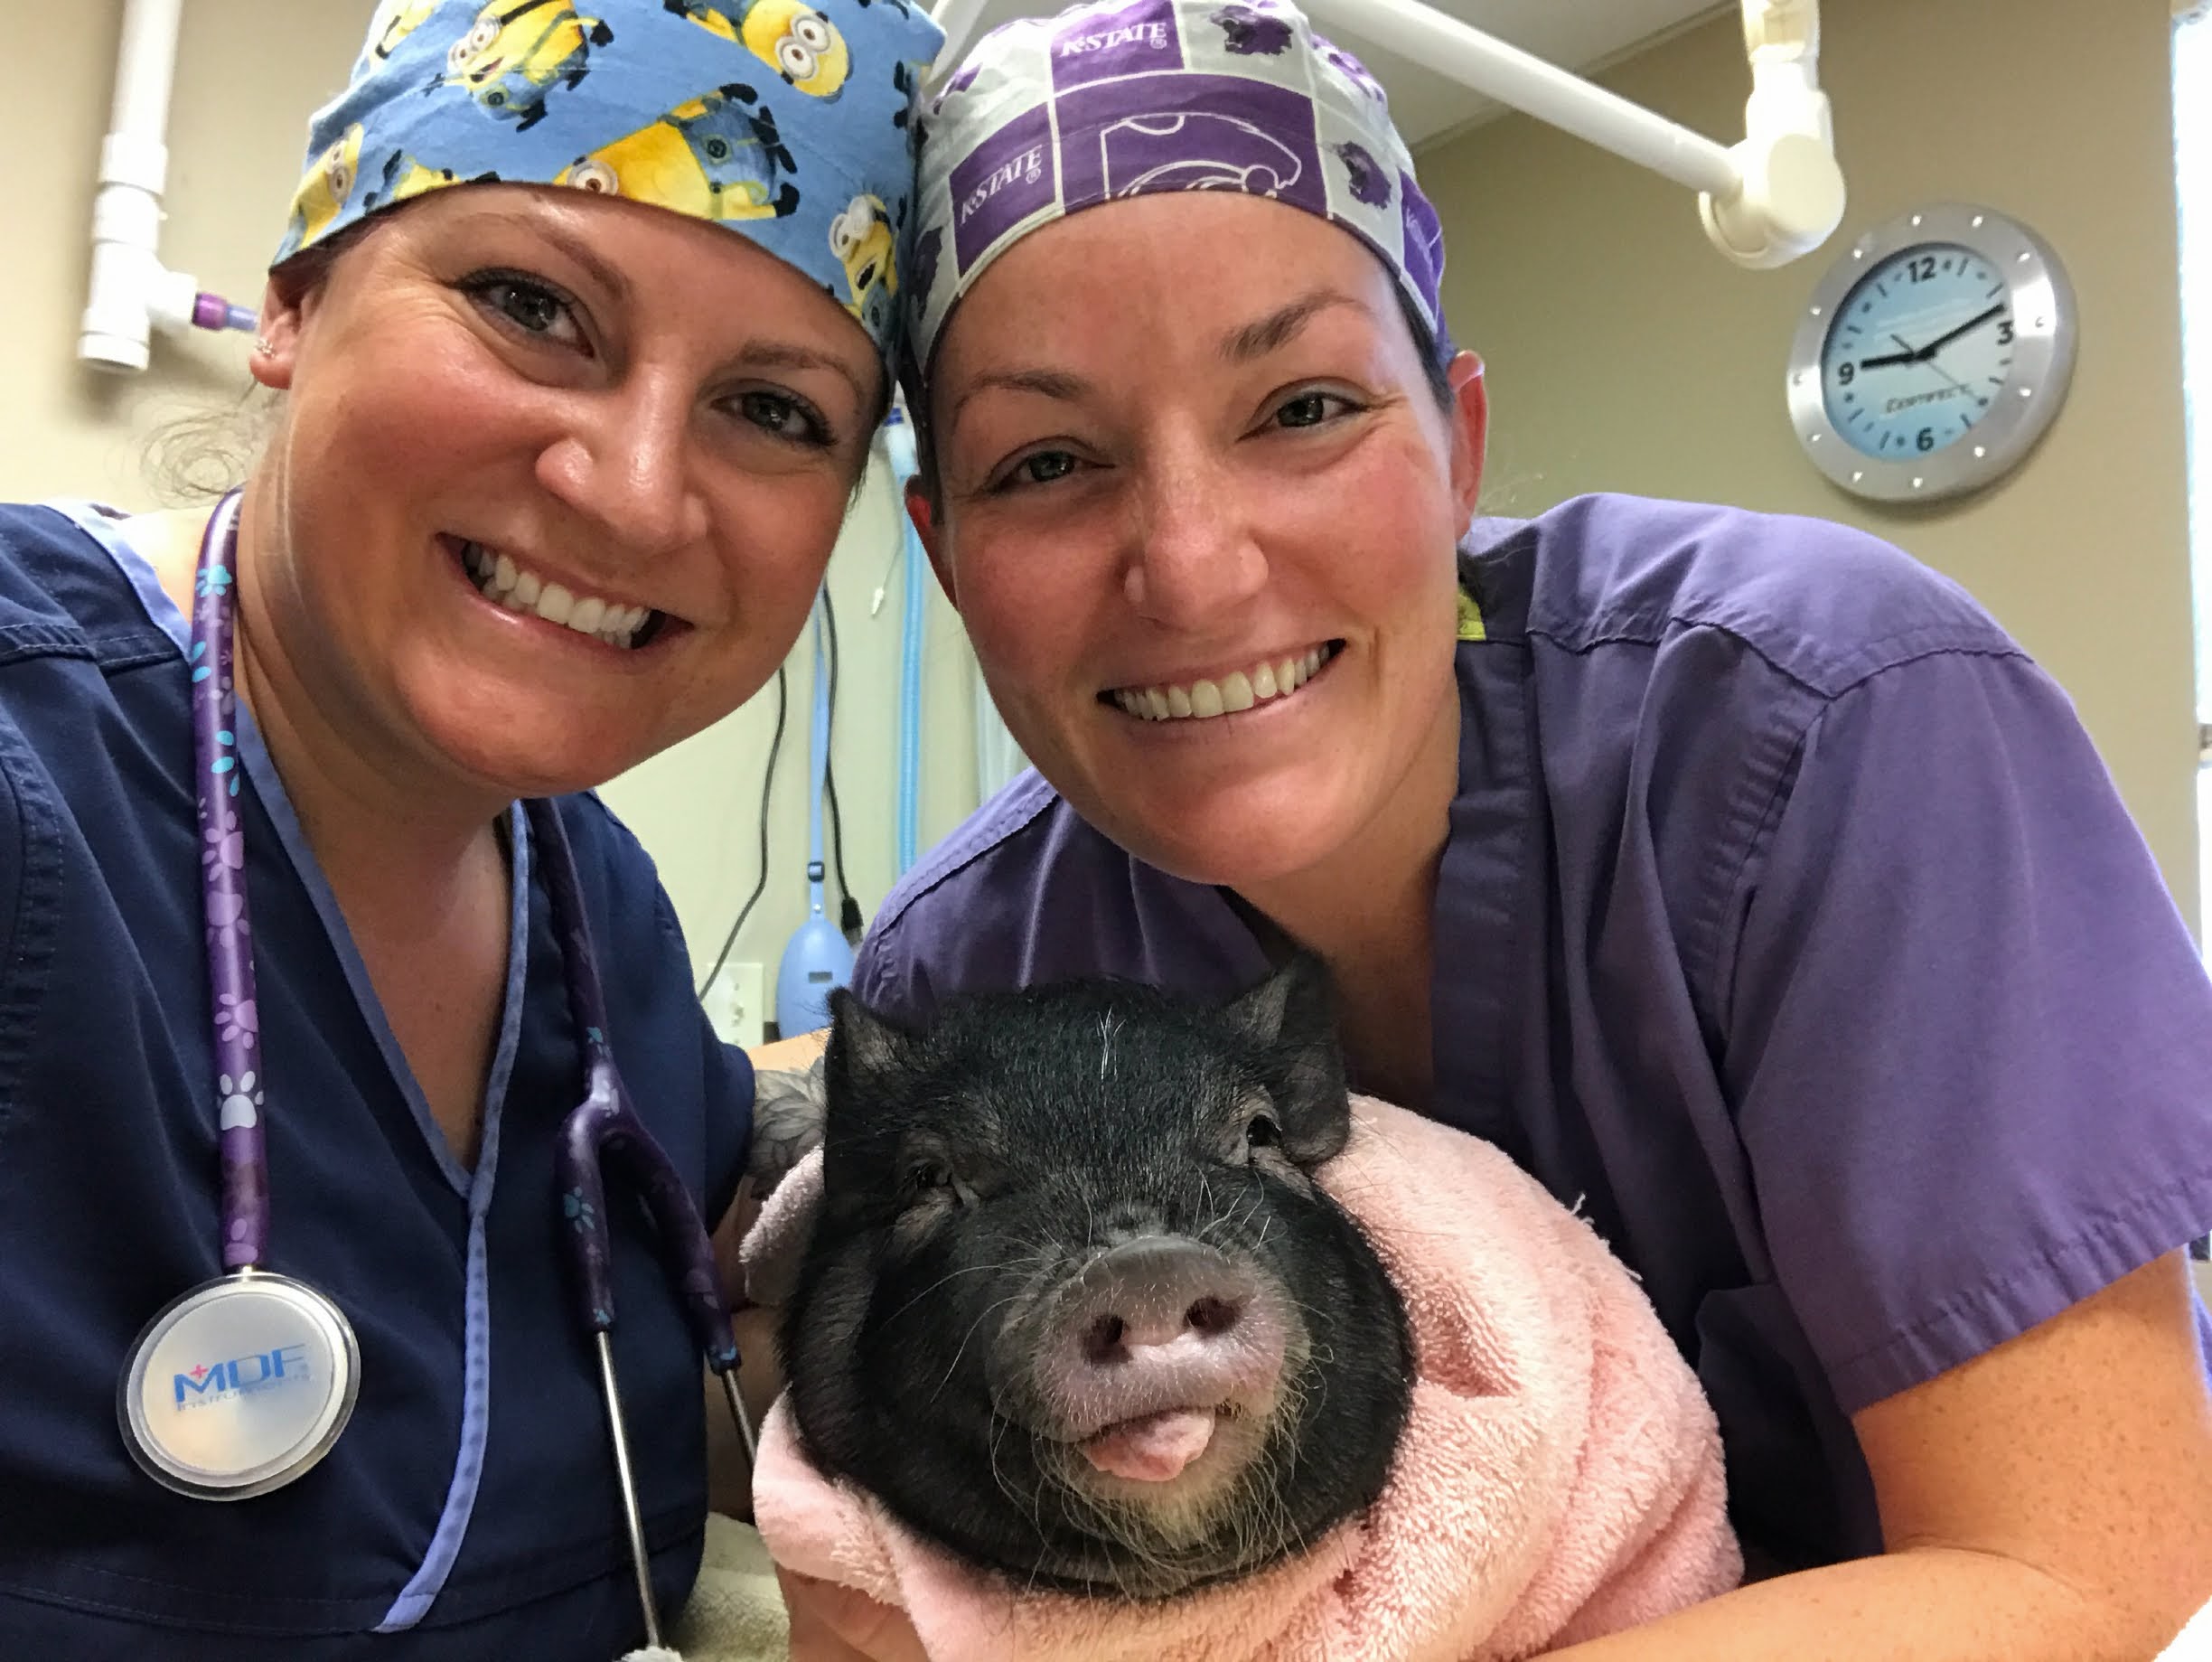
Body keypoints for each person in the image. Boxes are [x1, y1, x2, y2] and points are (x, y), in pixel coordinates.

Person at [775, 1, 2212, 1657]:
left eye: (1303, 408)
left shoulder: (1826, 723)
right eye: (1047, 460)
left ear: (1459, 444)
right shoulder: (971, 965)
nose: (1191, 565)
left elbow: (2088, 1576)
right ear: (948, 557)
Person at [0, 0, 937, 1653]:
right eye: (531, 306)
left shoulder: (600, 913)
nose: (637, 490)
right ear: (294, 293)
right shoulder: (37, 774)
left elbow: (707, 1377)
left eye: (777, 409)